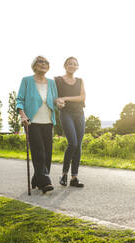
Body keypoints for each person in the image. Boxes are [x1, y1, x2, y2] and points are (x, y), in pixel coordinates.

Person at [16, 56, 63, 193]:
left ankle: (37, 178)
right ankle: (45, 182)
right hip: (32, 122)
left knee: (47, 154)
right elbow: (19, 99)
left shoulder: (51, 83)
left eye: (46, 62)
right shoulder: (27, 81)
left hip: (48, 121)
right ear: (34, 65)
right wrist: (22, 115)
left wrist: (58, 102)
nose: (44, 64)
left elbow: (54, 99)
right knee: (39, 153)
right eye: (40, 62)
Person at [55, 56, 86, 187]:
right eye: (69, 63)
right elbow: (54, 97)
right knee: (72, 143)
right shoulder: (57, 80)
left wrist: (66, 98)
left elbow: (82, 97)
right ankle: (64, 174)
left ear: (77, 67)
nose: (72, 66)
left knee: (78, 145)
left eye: (74, 64)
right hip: (66, 113)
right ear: (65, 65)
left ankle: (74, 177)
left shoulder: (80, 81)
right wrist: (58, 102)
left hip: (79, 113)